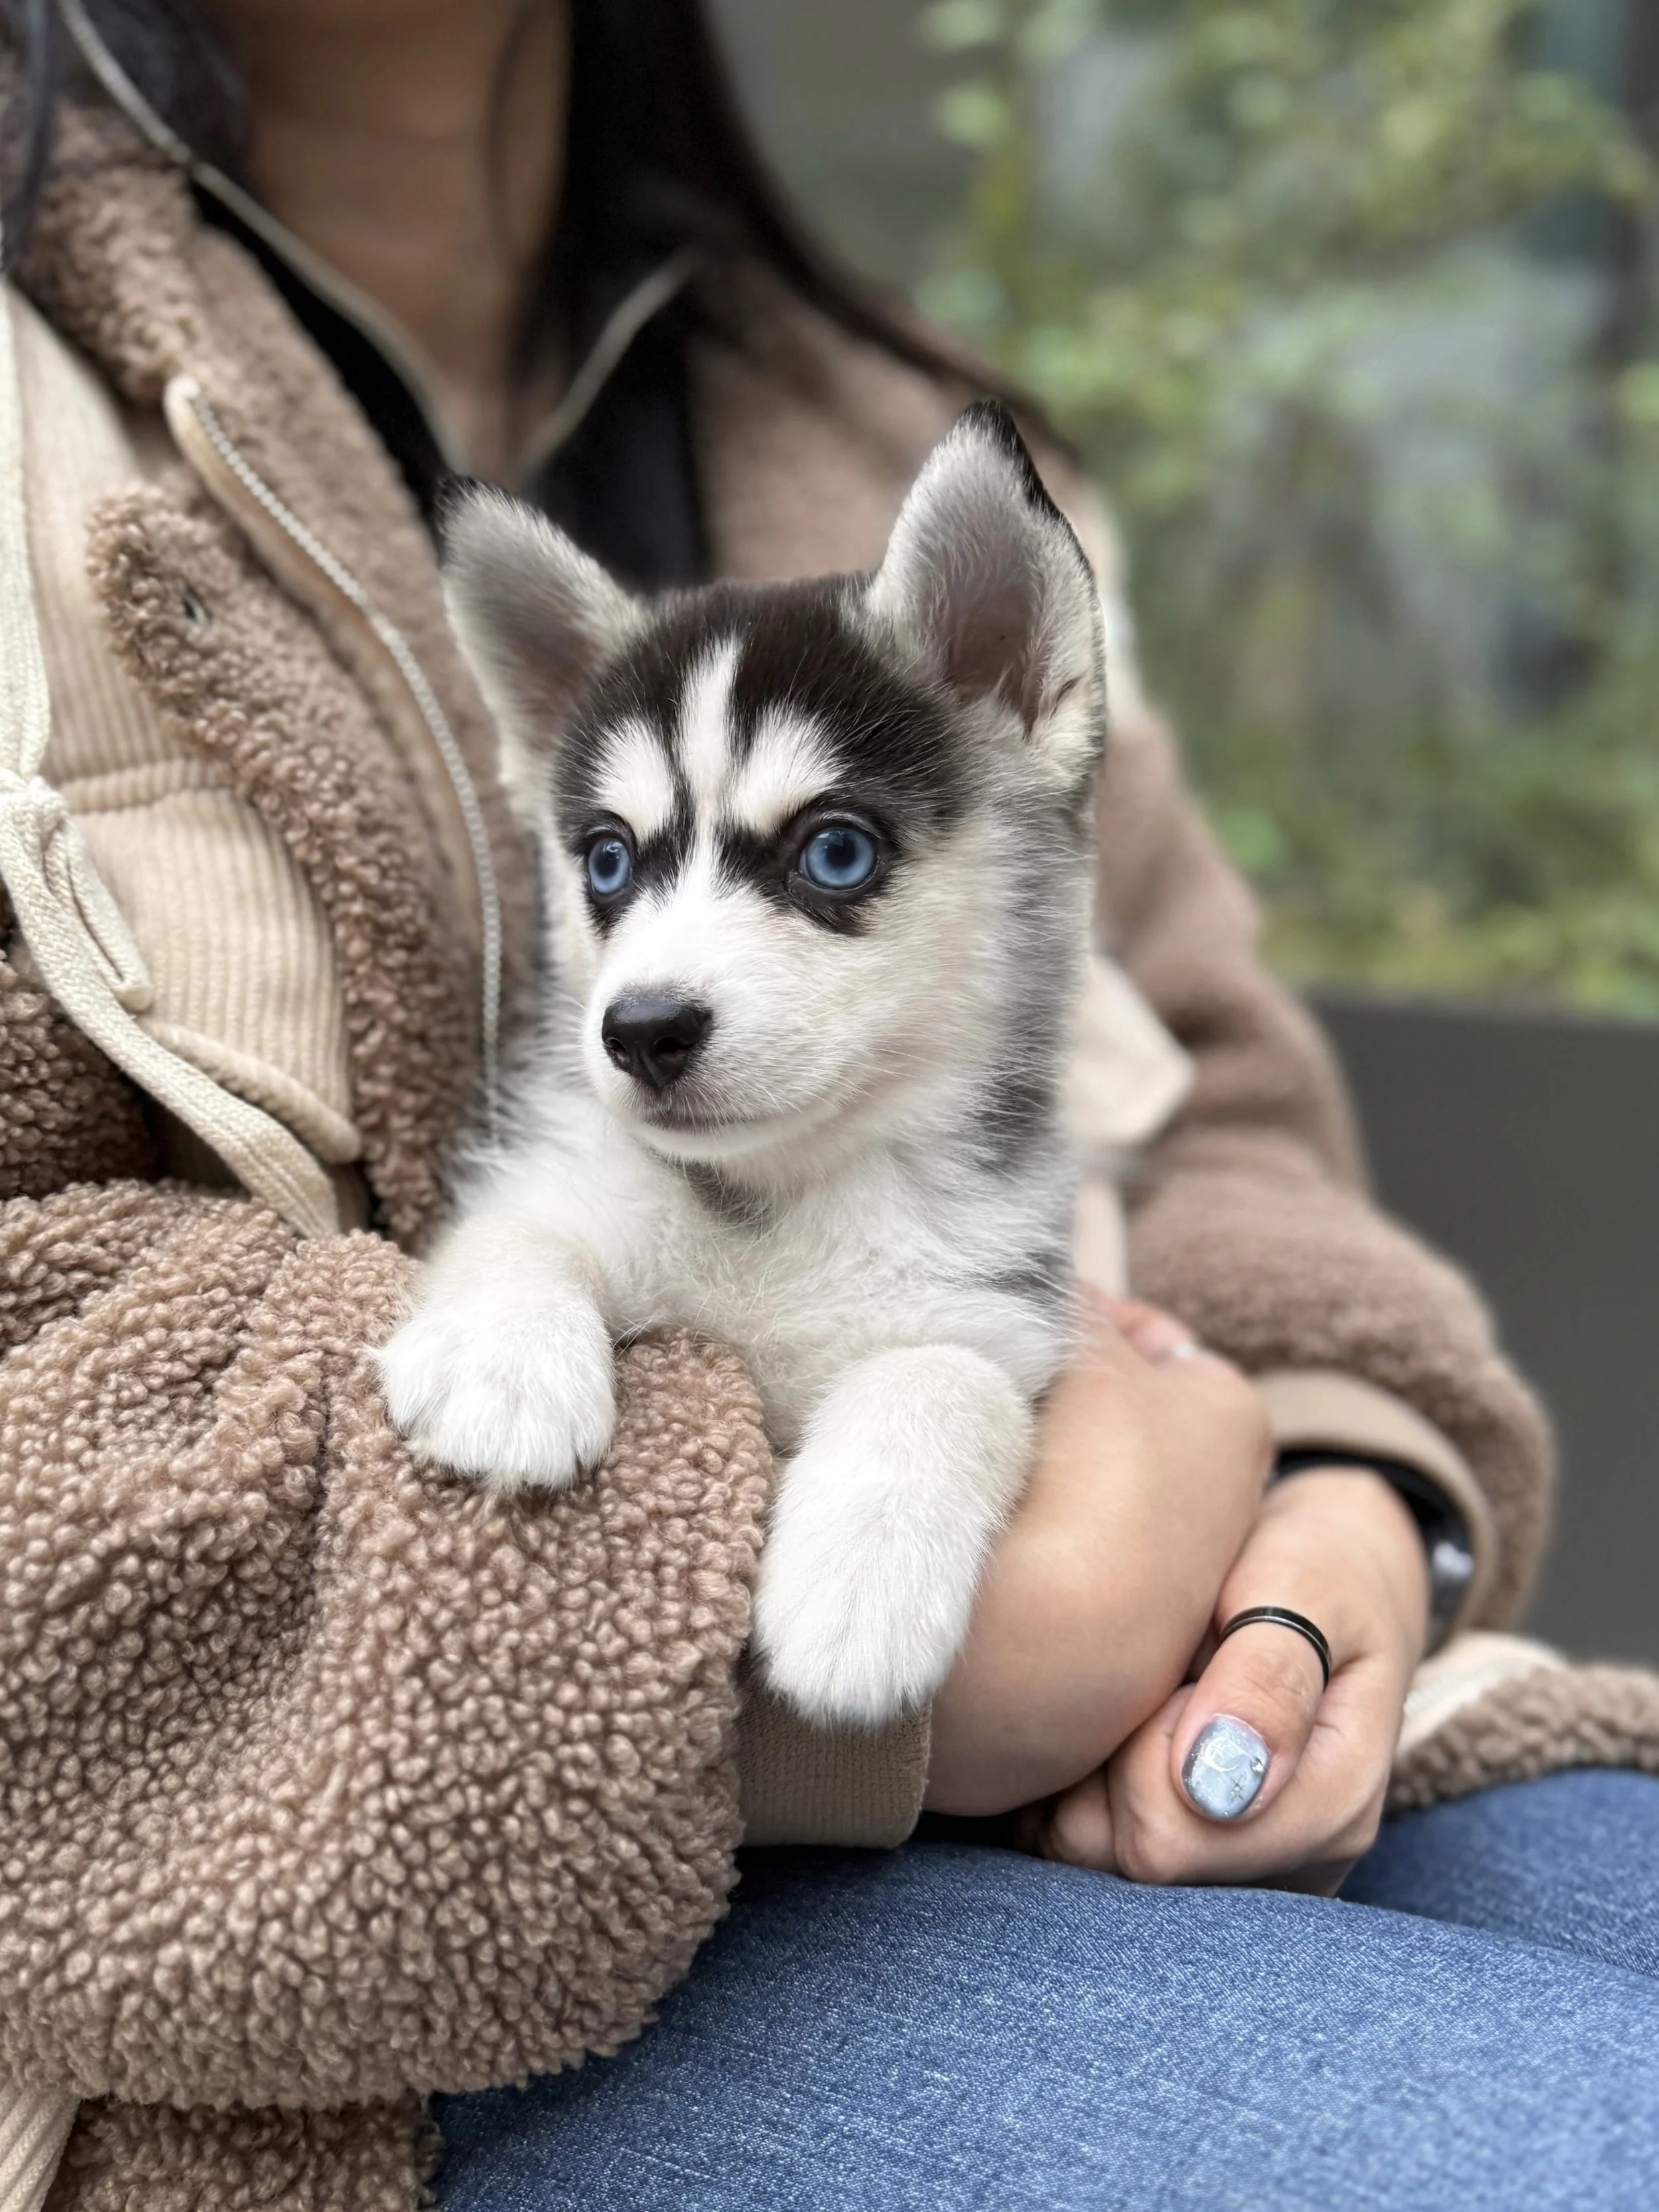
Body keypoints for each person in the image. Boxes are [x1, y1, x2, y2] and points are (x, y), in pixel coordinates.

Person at [0, 3, 1655, 2208]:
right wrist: (910, 1656)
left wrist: (1337, 1500)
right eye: (616, 867)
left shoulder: (880, 428)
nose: (667, 961)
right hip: (325, 1960)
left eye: (821, 857)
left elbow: (1220, 1105)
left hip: (1161, 1690)